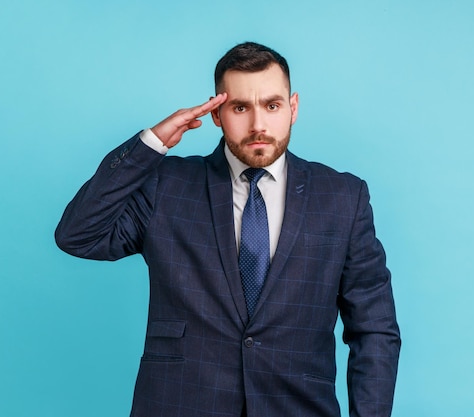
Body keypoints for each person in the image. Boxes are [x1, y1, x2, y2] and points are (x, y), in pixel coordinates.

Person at [55, 41, 400, 417]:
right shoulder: (167, 186)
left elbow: (375, 328)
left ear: (293, 107)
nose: (258, 125)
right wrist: (150, 145)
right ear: (217, 113)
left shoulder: (342, 198)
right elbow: (77, 235)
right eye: (240, 108)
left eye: (272, 105)